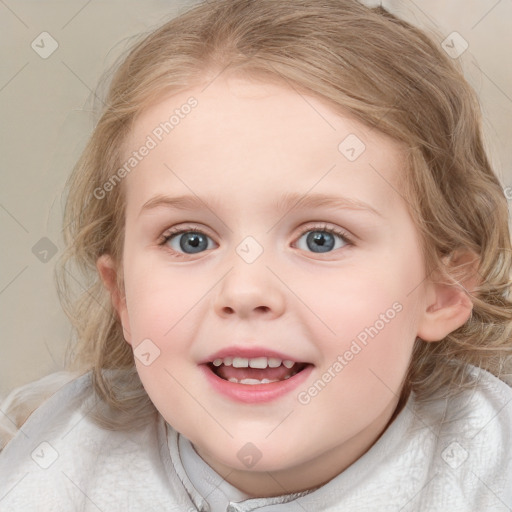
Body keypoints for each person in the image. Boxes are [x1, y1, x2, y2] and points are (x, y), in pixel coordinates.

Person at [1, 0, 511, 510]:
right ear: (123, 297)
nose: (245, 291)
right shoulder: (52, 463)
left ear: (444, 291)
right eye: (190, 240)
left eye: (321, 239)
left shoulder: (489, 470)